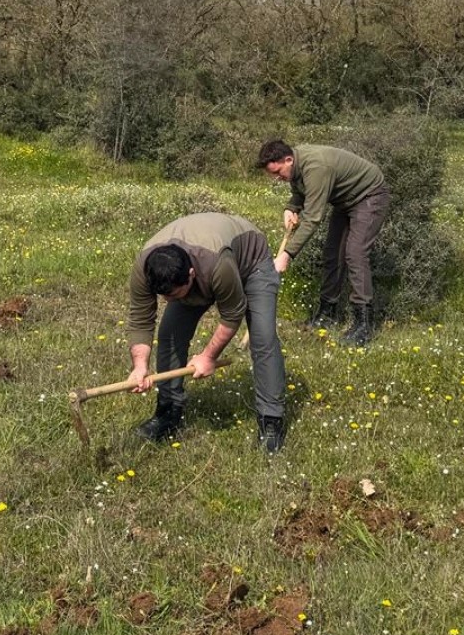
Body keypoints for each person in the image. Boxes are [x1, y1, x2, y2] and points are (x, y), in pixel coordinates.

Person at [125, 212, 288, 453]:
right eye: (164, 296)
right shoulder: (145, 267)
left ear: (190, 275)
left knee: (263, 339)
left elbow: (233, 313)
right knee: (170, 334)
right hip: (204, 266)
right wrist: (140, 366)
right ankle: (168, 413)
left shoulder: (217, 266)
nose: (168, 300)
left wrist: (209, 356)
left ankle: (271, 420)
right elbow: (140, 319)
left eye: (174, 295)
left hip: (251, 263)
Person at [257, 139, 389, 346]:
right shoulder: (296, 166)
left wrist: (286, 255)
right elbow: (300, 191)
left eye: (278, 172)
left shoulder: (317, 167)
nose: (276, 178)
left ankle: (364, 324)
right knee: (332, 254)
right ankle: (328, 314)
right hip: (345, 200)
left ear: (289, 159)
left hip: (369, 196)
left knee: (355, 254)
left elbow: (313, 218)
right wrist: (291, 207)